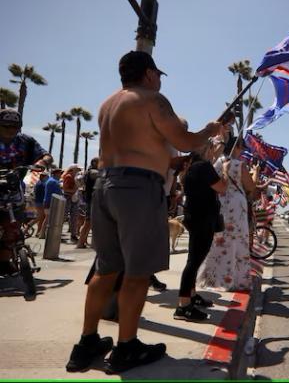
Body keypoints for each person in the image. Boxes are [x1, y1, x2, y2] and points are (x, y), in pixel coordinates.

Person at [66, 51, 225, 374]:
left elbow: (143, 147)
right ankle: (126, 347)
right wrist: (210, 130)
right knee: (137, 273)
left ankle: (86, 342)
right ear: (149, 74)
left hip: (105, 187)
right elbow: (184, 139)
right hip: (138, 190)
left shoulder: (109, 104)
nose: (160, 80)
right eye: (158, 75)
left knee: (106, 269)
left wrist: (171, 162)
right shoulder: (153, 99)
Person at [196, 135, 259, 292]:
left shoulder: (216, 163)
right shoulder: (239, 165)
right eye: (242, 147)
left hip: (219, 204)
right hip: (237, 206)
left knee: (219, 240)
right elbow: (251, 186)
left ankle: (213, 277)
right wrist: (255, 173)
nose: (243, 150)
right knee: (238, 241)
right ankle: (237, 280)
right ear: (236, 147)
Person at [174, 140, 227, 322]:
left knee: (194, 258)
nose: (215, 151)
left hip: (195, 217)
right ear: (206, 150)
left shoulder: (194, 166)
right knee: (194, 261)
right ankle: (183, 306)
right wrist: (225, 173)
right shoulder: (203, 167)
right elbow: (222, 187)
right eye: (212, 148)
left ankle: (191, 294)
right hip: (202, 218)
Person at [0, 108, 52, 275]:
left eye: (14, 126)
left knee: (13, 227)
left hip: (13, 191)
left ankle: (4, 261)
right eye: (6, 125)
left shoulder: (25, 141)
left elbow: (46, 155)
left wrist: (42, 163)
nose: (10, 129)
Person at [76, 158, 99, 249]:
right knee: (88, 222)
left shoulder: (89, 172)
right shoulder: (92, 172)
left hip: (90, 200)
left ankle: (83, 241)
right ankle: (80, 243)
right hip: (92, 200)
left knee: (89, 223)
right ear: (94, 163)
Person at [62, 164, 81, 242]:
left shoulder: (73, 177)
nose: (79, 171)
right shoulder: (69, 176)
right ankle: (58, 234)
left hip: (72, 198)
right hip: (68, 197)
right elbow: (65, 189)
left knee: (74, 217)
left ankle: (73, 235)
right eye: (77, 169)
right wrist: (75, 189)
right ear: (73, 169)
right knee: (64, 216)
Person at [33, 171, 49, 236]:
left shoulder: (38, 183)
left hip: (38, 202)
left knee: (41, 218)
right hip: (40, 202)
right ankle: (30, 225)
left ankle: (38, 232)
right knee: (41, 217)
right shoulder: (42, 184)